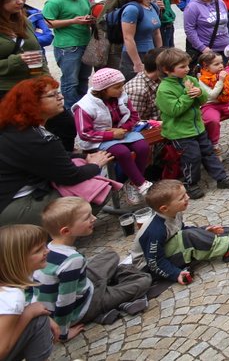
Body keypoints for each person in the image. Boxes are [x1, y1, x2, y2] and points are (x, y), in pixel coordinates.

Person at [31, 197, 151, 341]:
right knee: (144, 281)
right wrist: (63, 333)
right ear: (66, 231)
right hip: (83, 307)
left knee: (111, 255)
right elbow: (65, 301)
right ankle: (110, 286)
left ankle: (108, 281)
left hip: (84, 285)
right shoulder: (72, 262)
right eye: (87, 217)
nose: (94, 218)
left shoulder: (51, 248)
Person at [0, 77, 114, 226]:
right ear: (32, 103)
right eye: (52, 95)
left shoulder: (17, 127)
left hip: (7, 200)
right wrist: (96, 165)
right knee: (97, 187)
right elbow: (70, 176)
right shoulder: (37, 138)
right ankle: (53, 233)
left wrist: (83, 156)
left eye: (58, 93)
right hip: (13, 207)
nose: (60, 97)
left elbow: (53, 157)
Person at [133, 180, 229, 284]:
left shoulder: (174, 213)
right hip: (150, 267)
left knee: (205, 230)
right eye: (182, 198)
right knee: (188, 237)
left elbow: (180, 229)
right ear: (164, 208)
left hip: (163, 252)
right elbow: (154, 262)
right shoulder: (155, 230)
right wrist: (176, 274)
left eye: (185, 194)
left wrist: (205, 230)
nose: (187, 197)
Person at [154, 48, 229, 200]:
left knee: (209, 153)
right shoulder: (164, 89)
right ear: (167, 70)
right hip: (180, 132)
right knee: (192, 157)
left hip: (198, 127)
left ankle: (221, 178)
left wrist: (200, 93)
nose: (187, 69)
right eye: (182, 67)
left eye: (187, 65)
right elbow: (174, 110)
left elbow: (204, 100)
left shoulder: (191, 80)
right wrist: (189, 95)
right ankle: (191, 184)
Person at [71, 68, 153, 206]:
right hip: (98, 139)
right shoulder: (85, 106)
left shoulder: (121, 97)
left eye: (121, 86)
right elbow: (84, 133)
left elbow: (134, 116)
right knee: (122, 152)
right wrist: (111, 134)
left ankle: (134, 183)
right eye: (117, 87)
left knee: (143, 147)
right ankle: (141, 183)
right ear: (103, 89)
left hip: (122, 133)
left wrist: (123, 128)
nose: (121, 90)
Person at [0, 224, 55, 361]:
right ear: (17, 261)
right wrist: (29, 314)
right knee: (39, 320)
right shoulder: (11, 297)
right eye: (38, 250)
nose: (47, 251)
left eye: (45, 245)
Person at [41, 0, 94, 108]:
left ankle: (83, 107)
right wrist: (72, 21)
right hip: (67, 45)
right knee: (70, 81)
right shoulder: (55, 1)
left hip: (85, 42)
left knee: (84, 78)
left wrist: (89, 19)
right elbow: (47, 23)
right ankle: (70, 109)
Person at [119, 0, 164, 81]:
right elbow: (128, 38)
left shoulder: (153, 6)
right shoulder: (132, 9)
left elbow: (156, 32)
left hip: (151, 54)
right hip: (135, 55)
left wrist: (160, 52)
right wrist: (137, 63)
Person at [183, 0, 229, 65]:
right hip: (206, 51)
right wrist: (202, 48)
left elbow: (225, 23)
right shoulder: (192, 7)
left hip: (224, 49)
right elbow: (189, 30)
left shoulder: (220, 2)